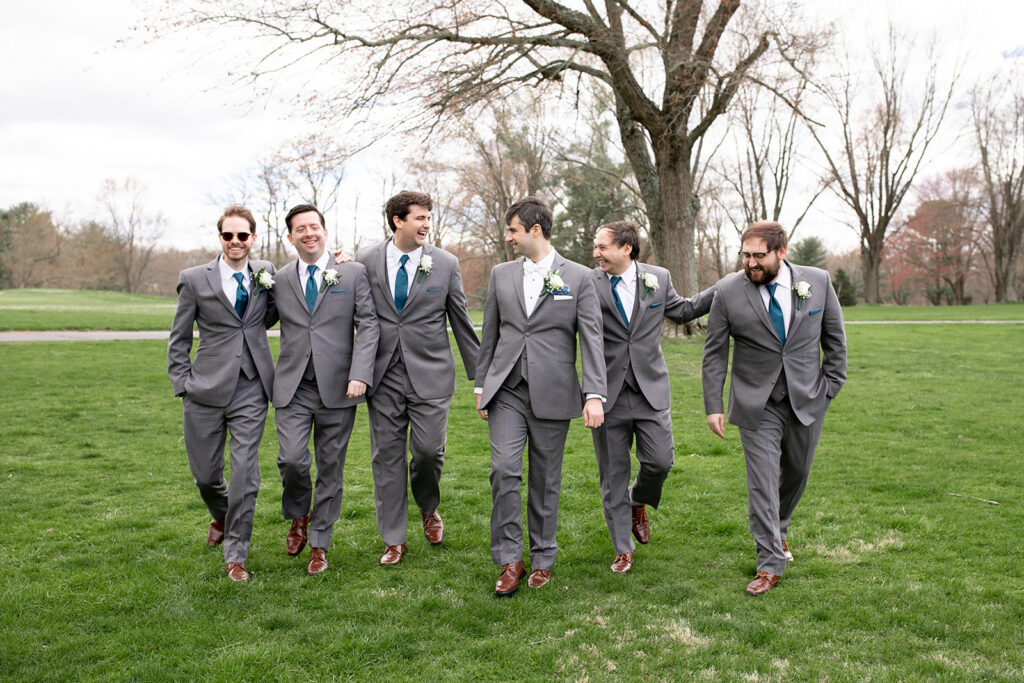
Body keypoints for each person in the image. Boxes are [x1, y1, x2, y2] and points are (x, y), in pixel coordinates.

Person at [701, 221, 846, 595]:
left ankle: (778, 529)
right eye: (746, 255)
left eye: (758, 256)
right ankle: (769, 563)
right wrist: (713, 405)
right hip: (756, 403)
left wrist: (829, 387)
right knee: (762, 482)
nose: (751, 263)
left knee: (797, 473)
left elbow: (835, 341)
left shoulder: (818, 282)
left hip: (808, 398)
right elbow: (715, 353)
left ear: (781, 252)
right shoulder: (728, 292)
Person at [474, 196, 606, 596]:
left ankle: (543, 557)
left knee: (546, 478)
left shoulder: (580, 277)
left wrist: (594, 393)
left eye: (513, 230)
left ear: (534, 230)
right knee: (503, 469)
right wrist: (482, 386)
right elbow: (490, 334)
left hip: (554, 390)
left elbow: (592, 339)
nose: (508, 237)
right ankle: (510, 558)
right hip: (507, 389)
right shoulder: (500, 274)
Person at [354, 191, 480, 565]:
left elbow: (461, 321)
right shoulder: (366, 260)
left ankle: (428, 506)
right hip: (383, 374)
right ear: (398, 221)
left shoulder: (444, 263)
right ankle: (393, 539)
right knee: (386, 457)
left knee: (427, 452)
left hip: (431, 374)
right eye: (420, 218)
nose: (427, 224)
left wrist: (482, 379)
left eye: (429, 218)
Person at [590, 221, 716, 574]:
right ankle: (622, 549)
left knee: (660, 462)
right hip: (607, 394)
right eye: (595, 247)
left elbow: (684, 310)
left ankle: (639, 500)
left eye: (602, 246)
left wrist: (723, 288)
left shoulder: (657, 278)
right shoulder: (589, 282)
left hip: (650, 390)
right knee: (613, 475)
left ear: (626, 248)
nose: (595, 253)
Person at [167, 205, 277, 582]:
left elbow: (288, 307)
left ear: (253, 238)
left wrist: (338, 267)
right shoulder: (194, 279)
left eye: (242, 235)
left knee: (246, 472)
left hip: (251, 385)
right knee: (206, 476)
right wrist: (182, 382)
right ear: (220, 239)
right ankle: (221, 515)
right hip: (204, 388)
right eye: (228, 236)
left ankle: (236, 554)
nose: (235, 242)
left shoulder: (267, 274)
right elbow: (179, 337)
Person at [270, 203, 378, 575]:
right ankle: (298, 514)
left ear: (325, 232)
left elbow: (368, 324)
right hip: (293, 387)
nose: (309, 233)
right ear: (290, 237)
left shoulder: (352, 273)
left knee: (331, 468)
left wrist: (360, 372)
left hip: (339, 387)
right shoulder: (280, 279)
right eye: (301, 229)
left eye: (314, 227)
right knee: (293, 460)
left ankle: (319, 544)